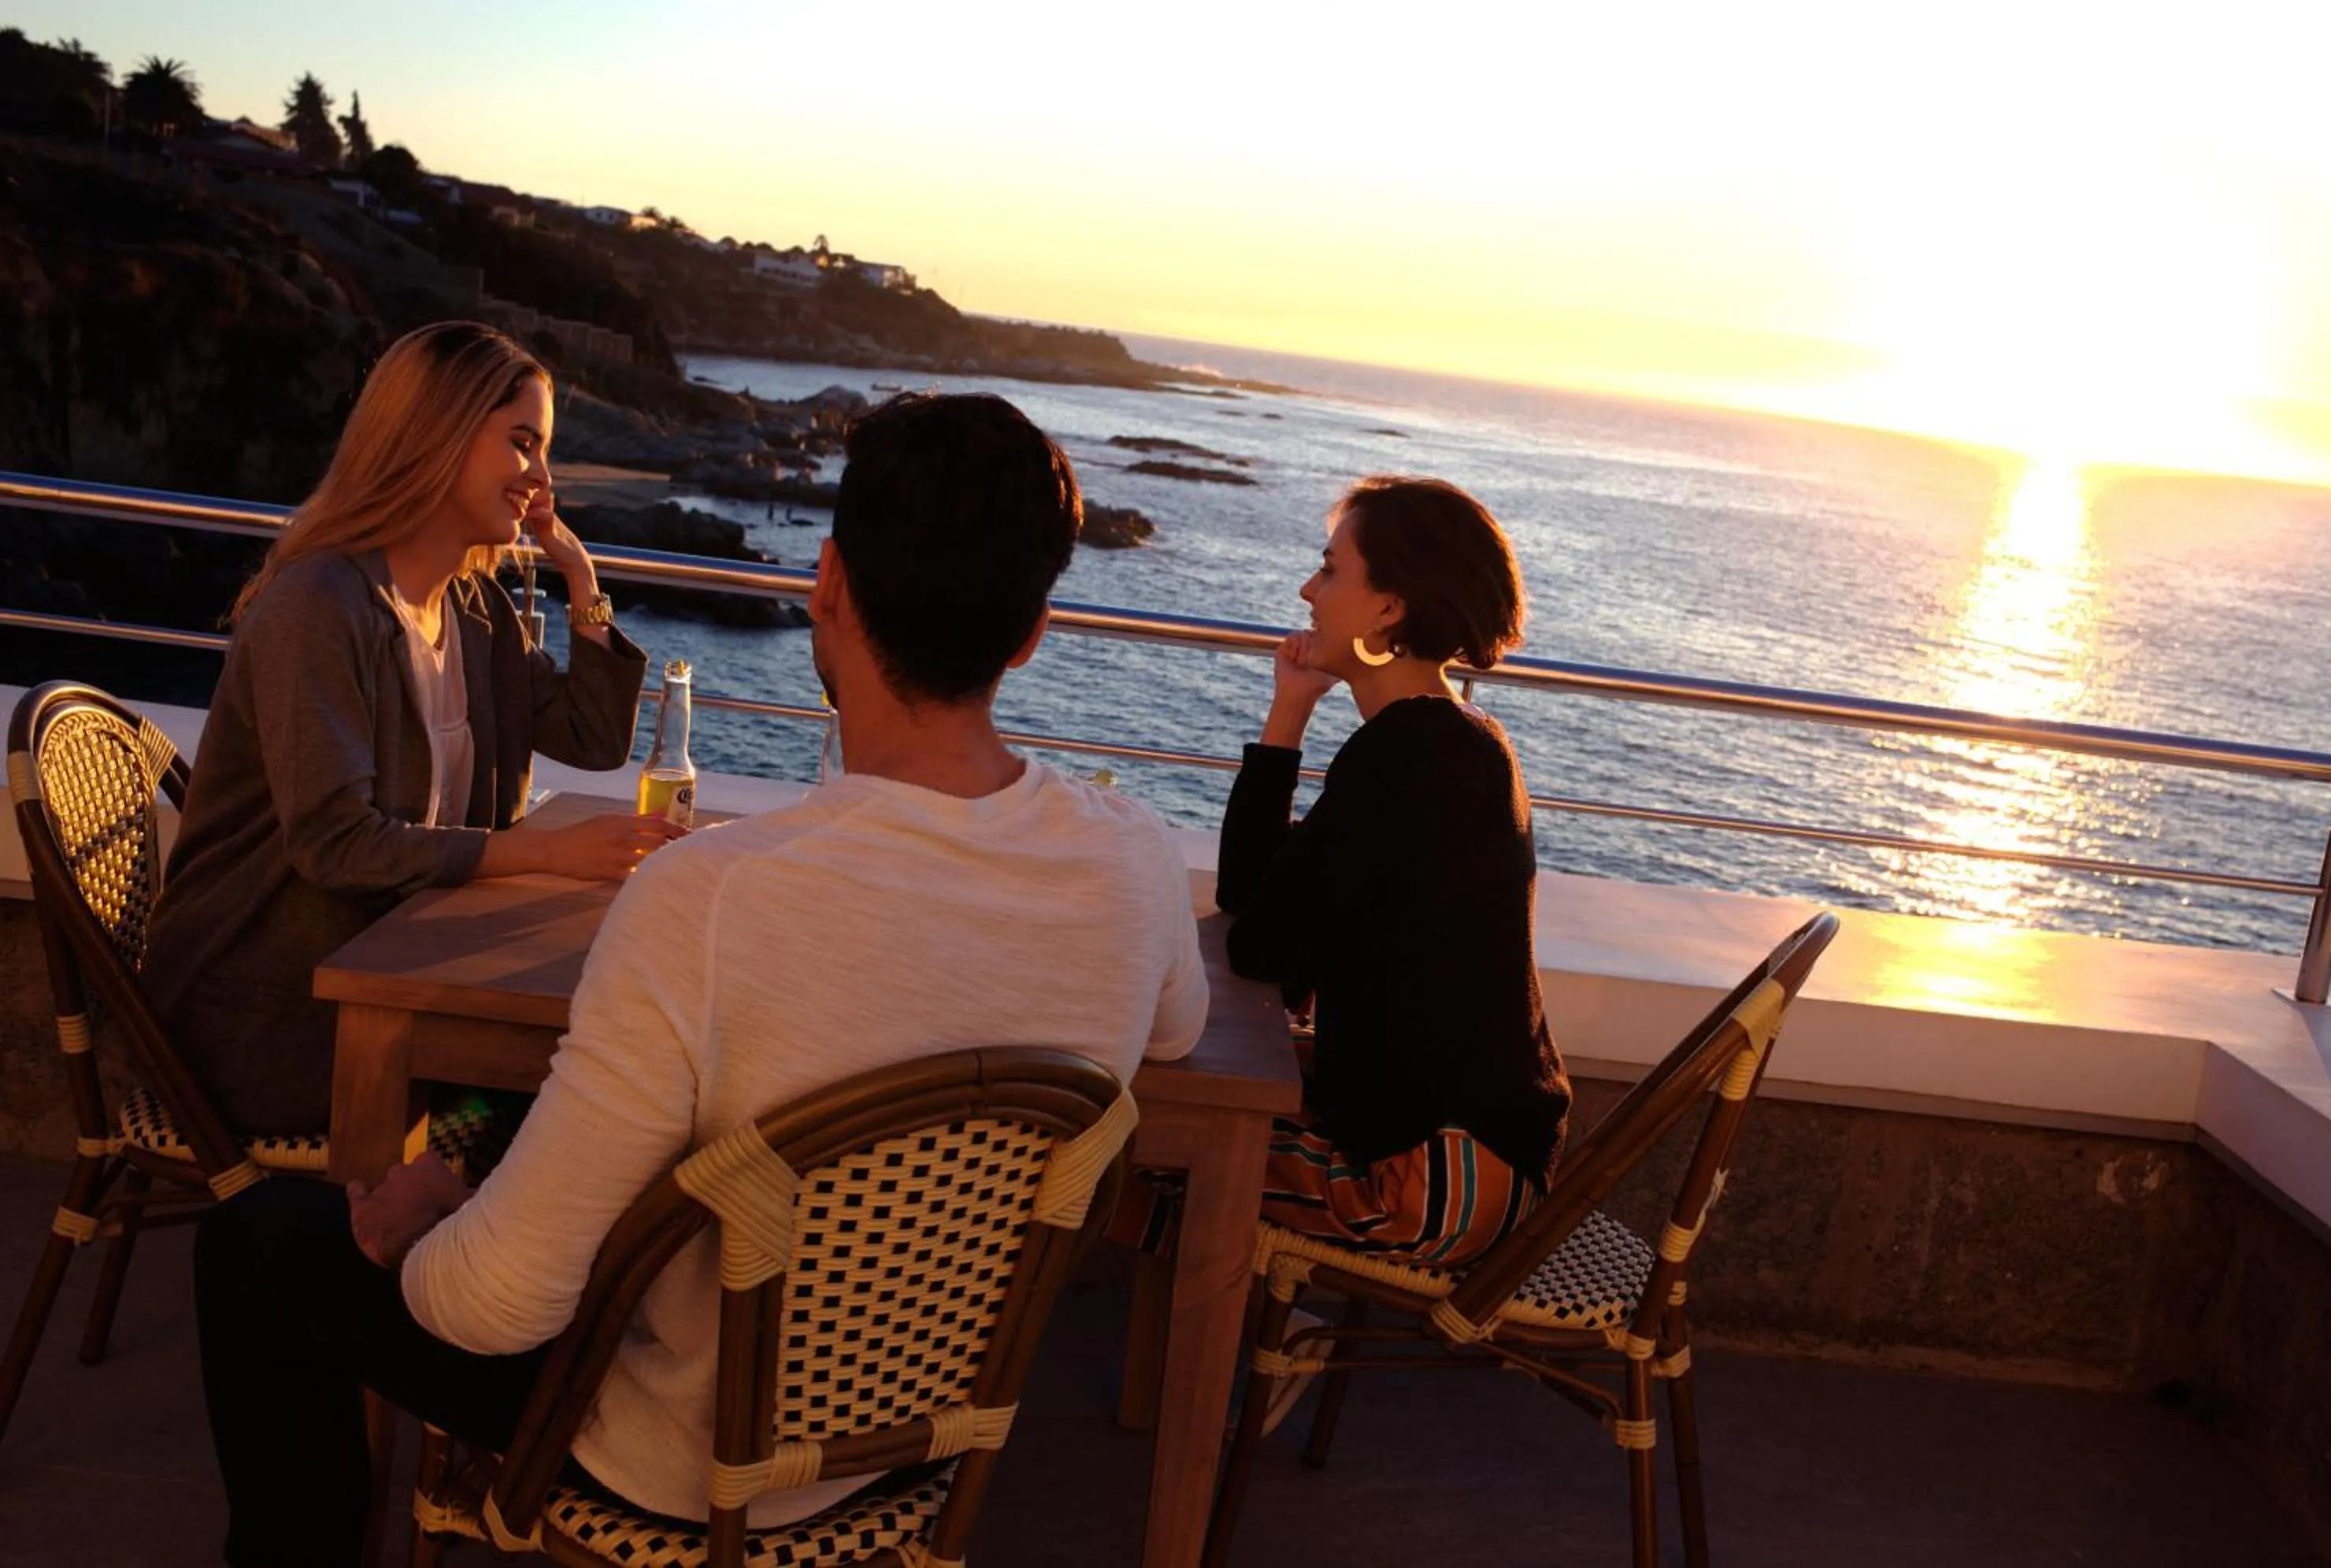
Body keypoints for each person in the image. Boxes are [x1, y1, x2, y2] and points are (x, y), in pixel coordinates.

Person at [193, 392, 1210, 1566]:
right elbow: (1173, 1035)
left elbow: (499, 1309)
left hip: (681, 1468)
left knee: (266, 1242)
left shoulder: (714, 898)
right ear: (1031, 634)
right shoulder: (1134, 862)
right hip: (924, 1445)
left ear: (825, 583)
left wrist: (406, 1231)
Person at [142, 321, 680, 1137]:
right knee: (582, 1098)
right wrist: (542, 851)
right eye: (524, 444)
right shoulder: (320, 605)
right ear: (440, 436)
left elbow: (593, 738)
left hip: (389, 985)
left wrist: (581, 577)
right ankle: (419, 1247)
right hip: (266, 1011)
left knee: (605, 1086)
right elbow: (337, 843)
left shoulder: (474, 611)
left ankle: (449, 1250)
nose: (542, 477)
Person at [1217, 476, 1571, 1266]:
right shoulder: (1453, 740)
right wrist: (1290, 711)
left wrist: (1288, 724)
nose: (1309, 589)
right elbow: (1253, 901)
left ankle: (1196, 1366)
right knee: (1176, 1118)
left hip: (1425, 1188)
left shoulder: (1413, 756)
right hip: (1470, 1164)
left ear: (1390, 606)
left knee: (1137, 1140)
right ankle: (1264, 1331)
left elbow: (1260, 948)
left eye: (1331, 570)